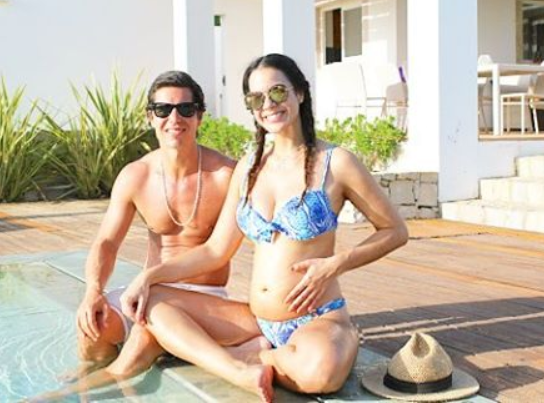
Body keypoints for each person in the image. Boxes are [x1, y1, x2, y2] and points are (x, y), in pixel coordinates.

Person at [119, 53, 408, 402]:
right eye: (256, 99)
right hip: (256, 321)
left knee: (320, 374)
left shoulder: (336, 163)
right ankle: (238, 367)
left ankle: (237, 358)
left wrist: (336, 264)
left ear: (300, 92)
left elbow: (394, 230)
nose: (268, 105)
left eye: (277, 92)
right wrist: (149, 276)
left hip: (317, 318)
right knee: (153, 302)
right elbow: (215, 251)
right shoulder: (249, 168)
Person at [62, 70, 236, 389]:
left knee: (141, 341)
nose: (174, 118)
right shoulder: (137, 175)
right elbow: (107, 242)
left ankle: (88, 388)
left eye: (185, 109)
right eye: (163, 109)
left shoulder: (225, 176)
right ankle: (91, 376)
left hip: (204, 296)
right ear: (150, 116)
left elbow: (238, 245)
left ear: (199, 116)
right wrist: (93, 291)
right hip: (148, 292)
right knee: (93, 323)